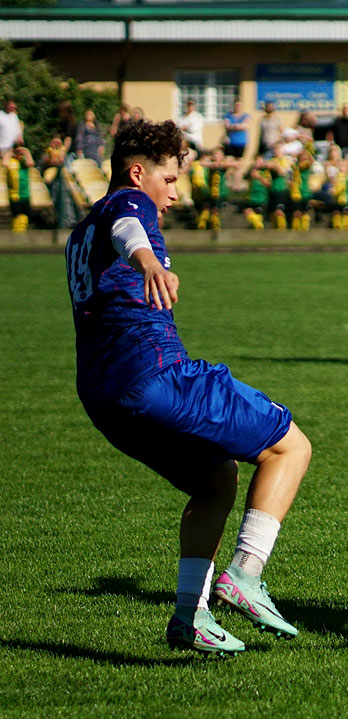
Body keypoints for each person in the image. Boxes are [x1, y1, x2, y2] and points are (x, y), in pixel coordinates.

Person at [63, 119, 312, 655]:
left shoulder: (79, 230)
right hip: (155, 375)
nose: (175, 192)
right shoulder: (129, 204)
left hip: (103, 398)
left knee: (216, 480)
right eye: (171, 178)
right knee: (290, 446)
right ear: (137, 173)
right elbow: (130, 229)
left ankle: (189, 618)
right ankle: (244, 574)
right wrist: (149, 260)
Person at [0, 98, 24, 162]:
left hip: (14, 148)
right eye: (11, 105)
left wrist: (20, 138)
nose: (14, 107)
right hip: (3, 148)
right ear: (6, 105)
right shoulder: (1, 115)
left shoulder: (14, 116)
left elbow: (18, 130)